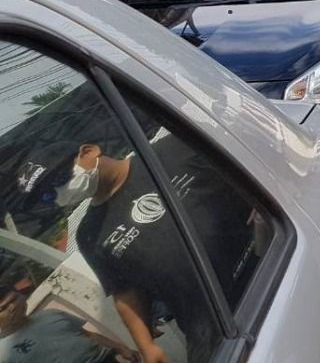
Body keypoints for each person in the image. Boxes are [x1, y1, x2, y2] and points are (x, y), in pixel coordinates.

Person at [21, 132, 259, 363]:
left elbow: (249, 175)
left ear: (90, 151)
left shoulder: (173, 150)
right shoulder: (89, 235)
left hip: (263, 275)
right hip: (210, 330)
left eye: (60, 178)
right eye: (48, 195)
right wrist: (146, 346)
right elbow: (125, 291)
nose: (60, 191)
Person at [0, 288, 127, 362]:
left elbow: (88, 335)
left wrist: (120, 348)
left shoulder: (50, 314)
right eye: (3, 308)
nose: (12, 307)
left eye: (14, 299)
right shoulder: (3, 352)